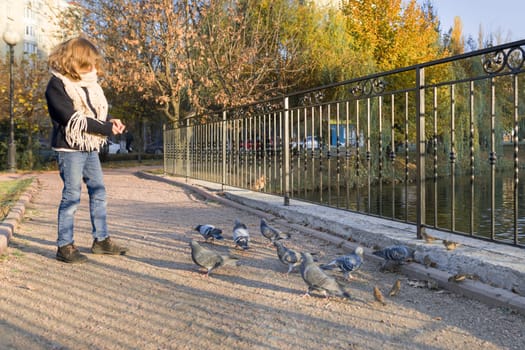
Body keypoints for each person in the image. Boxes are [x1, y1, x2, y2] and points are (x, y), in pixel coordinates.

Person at [45, 36, 129, 263]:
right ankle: (64, 245)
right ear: (73, 62)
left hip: (89, 146)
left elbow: (94, 114)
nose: (93, 68)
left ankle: (101, 240)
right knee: (72, 196)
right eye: (87, 63)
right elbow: (71, 118)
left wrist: (111, 120)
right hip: (69, 149)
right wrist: (106, 128)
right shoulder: (57, 84)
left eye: (93, 63)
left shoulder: (91, 85)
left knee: (99, 191)